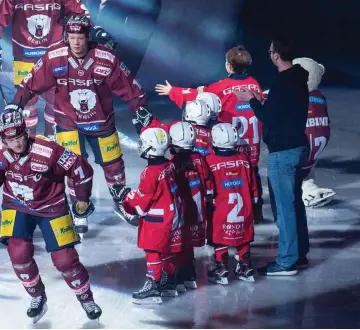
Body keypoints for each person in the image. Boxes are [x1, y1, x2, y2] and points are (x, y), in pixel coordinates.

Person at [0, 107, 102, 323]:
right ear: (2, 139)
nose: (16, 143)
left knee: (65, 260)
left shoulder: (49, 150)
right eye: (10, 140)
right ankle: (37, 297)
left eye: (18, 137)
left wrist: (81, 200)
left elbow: (81, 170)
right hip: (15, 205)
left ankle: (86, 298)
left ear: (26, 132)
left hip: (51, 207)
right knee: (18, 254)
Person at [12, 15, 155, 229]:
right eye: (72, 37)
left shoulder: (105, 57)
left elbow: (130, 88)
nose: (76, 42)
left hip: (102, 123)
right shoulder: (54, 56)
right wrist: (16, 105)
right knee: (74, 167)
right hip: (68, 122)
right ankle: (80, 208)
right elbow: (30, 84)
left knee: (114, 166)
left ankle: (121, 204)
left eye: (80, 37)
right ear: (66, 37)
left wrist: (141, 112)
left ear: (88, 36)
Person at [0, 0, 115, 137]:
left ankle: (52, 144)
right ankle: (29, 145)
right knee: (26, 104)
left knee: (57, 102)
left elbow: (79, 12)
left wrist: (94, 31)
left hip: (55, 55)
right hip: (25, 57)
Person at [156, 46, 265, 221]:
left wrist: (172, 91)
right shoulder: (255, 84)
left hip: (230, 144)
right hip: (253, 145)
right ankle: (255, 210)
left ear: (229, 66)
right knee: (252, 173)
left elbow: (199, 97)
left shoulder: (222, 87)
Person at [234, 37, 309, 275]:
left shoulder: (283, 83)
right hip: (297, 147)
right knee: (295, 204)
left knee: (284, 208)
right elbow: (283, 110)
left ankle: (287, 261)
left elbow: (268, 117)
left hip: (283, 152)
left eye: (270, 51)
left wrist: (252, 100)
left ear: (277, 55)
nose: (269, 54)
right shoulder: (298, 79)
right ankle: (300, 254)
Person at [110, 127, 183, 304]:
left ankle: (154, 284)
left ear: (150, 148)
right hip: (173, 217)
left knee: (152, 251)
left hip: (157, 220)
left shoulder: (150, 173)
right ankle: (168, 281)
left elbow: (142, 204)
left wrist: (125, 196)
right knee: (165, 250)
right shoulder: (169, 165)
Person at [205, 123, 258, 284]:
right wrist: (255, 199)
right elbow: (253, 185)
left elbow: (208, 189)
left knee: (219, 237)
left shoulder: (209, 161)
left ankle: (221, 269)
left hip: (221, 208)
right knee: (244, 236)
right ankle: (245, 266)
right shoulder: (244, 160)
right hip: (245, 209)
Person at [168, 122, 214, 291]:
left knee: (180, 242)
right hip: (198, 207)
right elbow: (207, 181)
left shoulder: (172, 164)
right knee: (189, 242)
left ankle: (180, 276)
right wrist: (209, 197)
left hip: (182, 208)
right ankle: (190, 274)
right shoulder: (199, 159)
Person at [293, 57, 334, 208]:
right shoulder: (320, 97)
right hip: (317, 145)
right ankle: (309, 186)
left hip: (297, 148)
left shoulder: (293, 96)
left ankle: (297, 190)